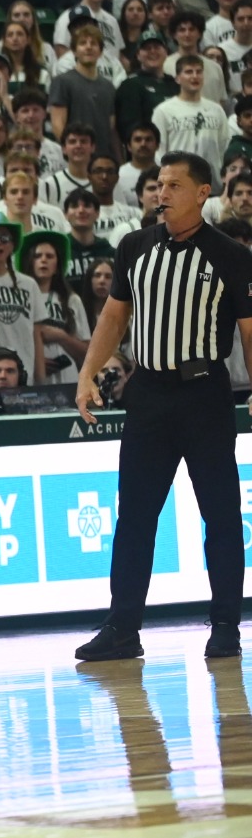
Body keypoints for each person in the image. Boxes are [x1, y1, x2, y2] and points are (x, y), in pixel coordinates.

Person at [75, 152, 252, 662]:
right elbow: (114, 317)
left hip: (204, 394)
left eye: (174, 185)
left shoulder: (230, 255)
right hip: (148, 394)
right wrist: (87, 373)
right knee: (134, 515)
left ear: (203, 193)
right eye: (158, 184)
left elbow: (249, 332)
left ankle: (226, 625)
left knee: (220, 514)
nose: (162, 193)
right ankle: (122, 627)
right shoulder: (134, 247)